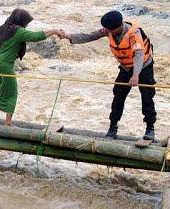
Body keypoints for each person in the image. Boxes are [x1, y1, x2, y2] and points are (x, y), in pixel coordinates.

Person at [57, 10, 156, 140]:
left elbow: (139, 54)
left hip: (143, 66)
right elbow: (90, 36)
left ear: (119, 27)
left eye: (109, 30)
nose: (106, 31)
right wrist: (68, 36)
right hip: (126, 68)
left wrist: (136, 75)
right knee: (118, 96)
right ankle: (112, 127)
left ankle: (150, 129)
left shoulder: (134, 34)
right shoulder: (109, 30)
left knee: (147, 96)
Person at [0, 8, 62, 126]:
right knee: (12, 92)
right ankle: (7, 123)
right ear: (21, 21)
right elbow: (36, 36)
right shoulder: (19, 31)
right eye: (27, 22)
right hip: (4, 65)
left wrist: (5, 45)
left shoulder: (3, 28)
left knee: (2, 89)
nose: (27, 25)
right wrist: (54, 31)